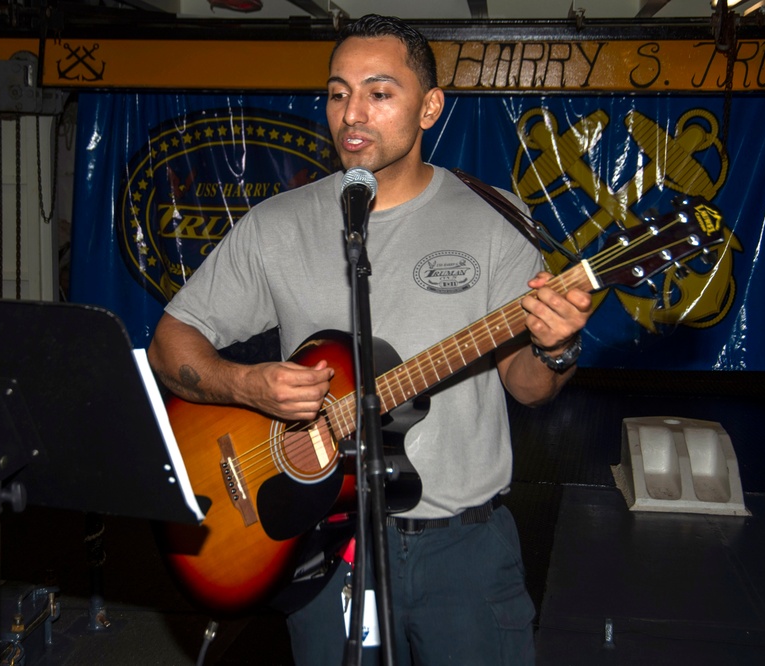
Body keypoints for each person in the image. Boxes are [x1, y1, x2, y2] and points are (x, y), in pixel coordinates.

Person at [148, 13, 593, 665]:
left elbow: (527, 387)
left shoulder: (496, 219)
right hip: (325, 549)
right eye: (338, 92)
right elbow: (170, 343)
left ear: (430, 107)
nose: (352, 113)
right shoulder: (278, 224)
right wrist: (246, 384)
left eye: (379, 92)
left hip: (463, 555)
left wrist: (556, 345)